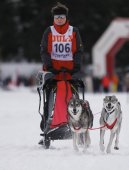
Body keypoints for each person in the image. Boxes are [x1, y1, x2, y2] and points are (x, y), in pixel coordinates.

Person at [39, 2, 83, 145]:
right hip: (53, 71)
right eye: (57, 17)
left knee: (73, 97)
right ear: (54, 18)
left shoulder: (73, 31)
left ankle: (74, 125)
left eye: (62, 17)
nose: (59, 19)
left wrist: (76, 68)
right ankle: (48, 127)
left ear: (66, 18)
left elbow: (78, 51)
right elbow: (44, 51)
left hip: (70, 72)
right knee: (50, 100)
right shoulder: (49, 31)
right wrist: (50, 67)